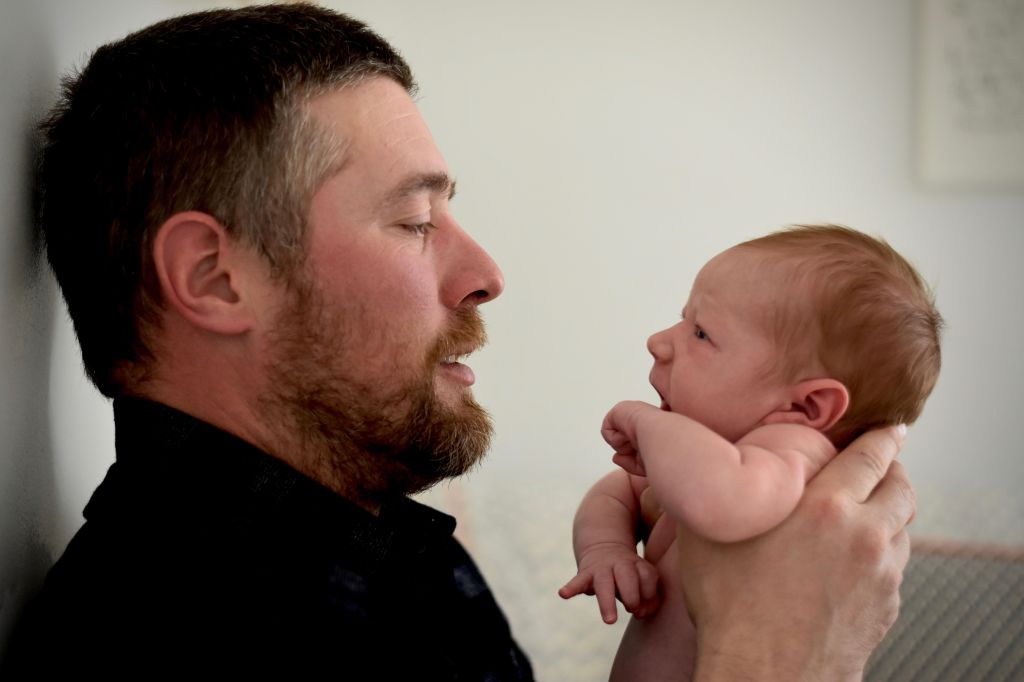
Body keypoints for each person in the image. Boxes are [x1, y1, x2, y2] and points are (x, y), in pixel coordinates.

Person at [2, 5, 918, 680]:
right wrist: (777, 659)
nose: (485, 272)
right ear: (213, 277)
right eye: (414, 221)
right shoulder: (181, 643)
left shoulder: (376, 556)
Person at [560, 225, 942, 681]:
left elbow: (721, 501)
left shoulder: (795, 454)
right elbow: (618, 490)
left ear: (806, 407)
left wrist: (644, 420)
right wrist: (607, 547)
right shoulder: (716, 456)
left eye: (701, 333)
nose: (658, 341)